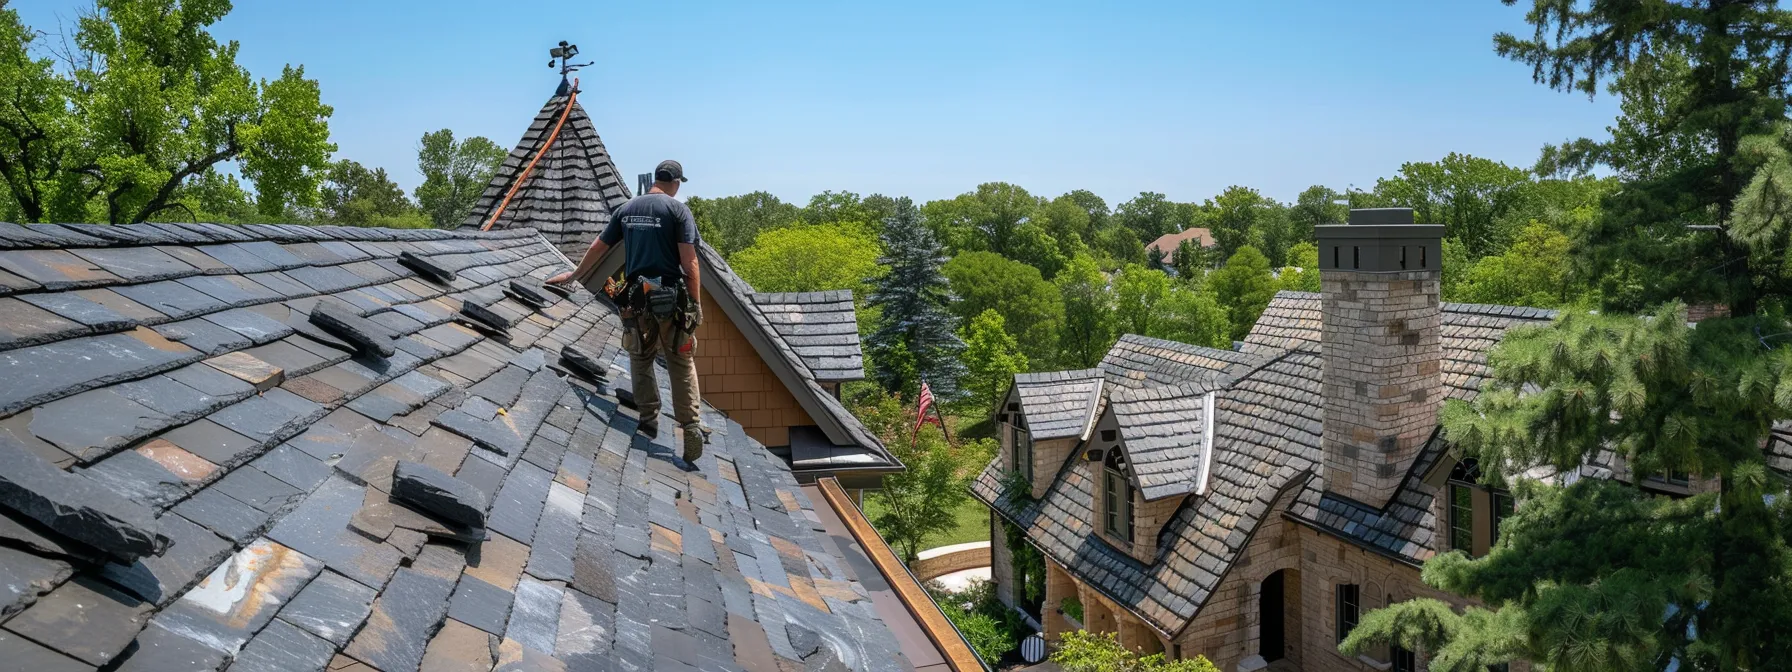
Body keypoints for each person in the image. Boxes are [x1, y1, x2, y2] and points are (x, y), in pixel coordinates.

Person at [547, 159, 705, 467]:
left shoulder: (627, 209)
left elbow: (598, 247)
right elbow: (690, 264)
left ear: (655, 180)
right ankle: (690, 426)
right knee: (680, 360)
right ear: (674, 183)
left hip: (636, 298)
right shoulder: (677, 211)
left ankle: (648, 419)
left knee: (640, 357)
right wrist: (695, 305)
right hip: (670, 298)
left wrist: (574, 275)